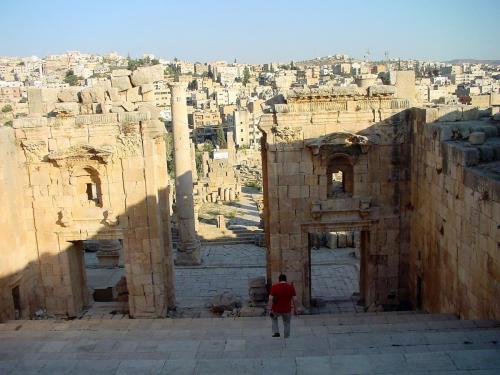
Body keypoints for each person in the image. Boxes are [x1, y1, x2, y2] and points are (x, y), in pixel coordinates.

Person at [267, 273, 297, 338]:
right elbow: (295, 299)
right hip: (287, 309)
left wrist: (269, 308)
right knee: (287, 323)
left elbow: (270, 299)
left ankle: (276, 332)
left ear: (279, 280)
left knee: (273, 318)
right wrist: (295, 308)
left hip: (276, 309)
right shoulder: (291, 287)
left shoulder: (274, 287)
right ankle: (286, 336)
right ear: (286, 280)